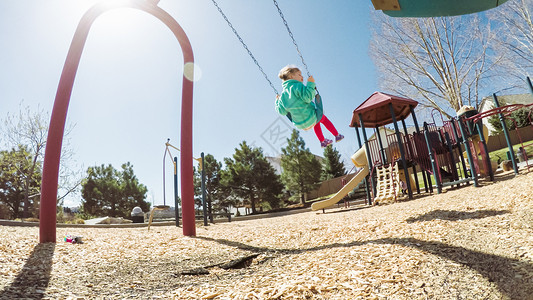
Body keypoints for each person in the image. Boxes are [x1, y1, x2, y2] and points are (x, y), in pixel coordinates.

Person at [275, 65, 343, 147]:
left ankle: (322, 141)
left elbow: (282, 111)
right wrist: (311, 83)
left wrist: (277, 101)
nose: (302, 77)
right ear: (291, 76)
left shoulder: (282, 96)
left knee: (316, 122)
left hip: (299, 124)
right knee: (323, 118)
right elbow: (308, 97)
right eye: (299, 75)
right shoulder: (297, 86)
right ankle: (337, 135)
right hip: (311, 118)